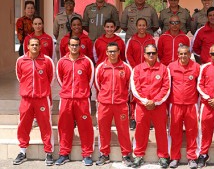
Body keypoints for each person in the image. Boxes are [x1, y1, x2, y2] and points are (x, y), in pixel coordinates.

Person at [13, 37, 54, 166]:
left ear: (40, 46)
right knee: (23, 125)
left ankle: (48, 152)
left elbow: (50, 79)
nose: (35, 47)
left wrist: (41, 90)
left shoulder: (47, 61)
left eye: (37, 44)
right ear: (28, 46)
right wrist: (28, 90)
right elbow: (20, 77)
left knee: (45, 126)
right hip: (26, 99)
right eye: (32, 45)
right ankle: (22, 151)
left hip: (42, 99)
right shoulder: (20, 61)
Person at [56, 36, 95, 166]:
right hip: (66, 99)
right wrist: (68, 91)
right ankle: (64, 153)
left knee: (86, 127)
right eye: (72, 45)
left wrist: (81, 92)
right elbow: (60, 79)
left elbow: (90, 80)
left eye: (76, 45)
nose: (74, 47)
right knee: (64, 127)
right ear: (68, 46)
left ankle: (87, 154)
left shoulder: (86, 61)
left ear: (80, 46)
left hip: (82, 99)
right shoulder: (62, 62)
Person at [131, 44, 170, 168]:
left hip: (159, 106)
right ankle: (138, 155)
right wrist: (145, 101)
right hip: (142, 106)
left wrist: (156, 101)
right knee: (140, 131)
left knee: (161, 131)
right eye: (148, 53)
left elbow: (166, 87)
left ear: (157, 54)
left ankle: (163, 156)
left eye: (153, 53)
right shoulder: (137, 69)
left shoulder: (164, 69)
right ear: (144, 55)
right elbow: (135, 88)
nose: (151, 55)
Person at [95, 42, 133, 167]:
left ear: (118, 52)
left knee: (123, 130)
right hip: (104, 104)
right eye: (110, 51)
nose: (112, 53)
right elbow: (97, 84)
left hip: (120, 104)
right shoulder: (101, 67)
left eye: (114, 51)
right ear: (106, 52)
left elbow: (129, 86)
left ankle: (126, 155)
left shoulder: (125, 68)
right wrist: (104, 97)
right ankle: (104, 154)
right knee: (103, 130)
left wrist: (121, 97)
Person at [167, 45, 200, 169]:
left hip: (191, 104)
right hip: (175, 104)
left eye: (185, 53)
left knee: (192, 132)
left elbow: (200, 86)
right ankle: (175, 157)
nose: (183, 56)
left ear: (190, 54)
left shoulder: (196, 67)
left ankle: (192, 158)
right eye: (181, 54)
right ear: (177, 54)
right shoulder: (171, 67)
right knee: (175, 132)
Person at [125, 18, 156, 129]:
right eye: (139, 25)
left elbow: (154, 55)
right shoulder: (132, 40)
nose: (142, 27)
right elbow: (128, 55)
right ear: (136, 26)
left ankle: (149, 118)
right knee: (134, 94)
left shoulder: (151, 39)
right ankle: (133, 118)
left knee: (149, 92)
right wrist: (135, 68)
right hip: (137, 71)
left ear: (146, 26)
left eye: (144, 25)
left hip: (149, 71)